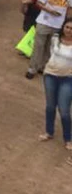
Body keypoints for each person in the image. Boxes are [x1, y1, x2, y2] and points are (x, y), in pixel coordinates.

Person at [28, 0, 72, 79]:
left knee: (50, 47)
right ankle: (32, 68)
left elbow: (70, 8)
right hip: (44, 21)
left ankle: (43, 67)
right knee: (38, 46)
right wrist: (49, 11)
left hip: (58, 25)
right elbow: (39, 2)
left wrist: (67, 21)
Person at [38, 19, 72, 151]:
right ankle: (49, 132)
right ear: (63, 27)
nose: (69, 30)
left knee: (64, 110)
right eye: (67, 27)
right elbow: (51, 54)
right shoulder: (55, 39)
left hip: (68, 79)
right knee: (50, 106)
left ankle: (68, 138)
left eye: (71, 28)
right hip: (50, 75)